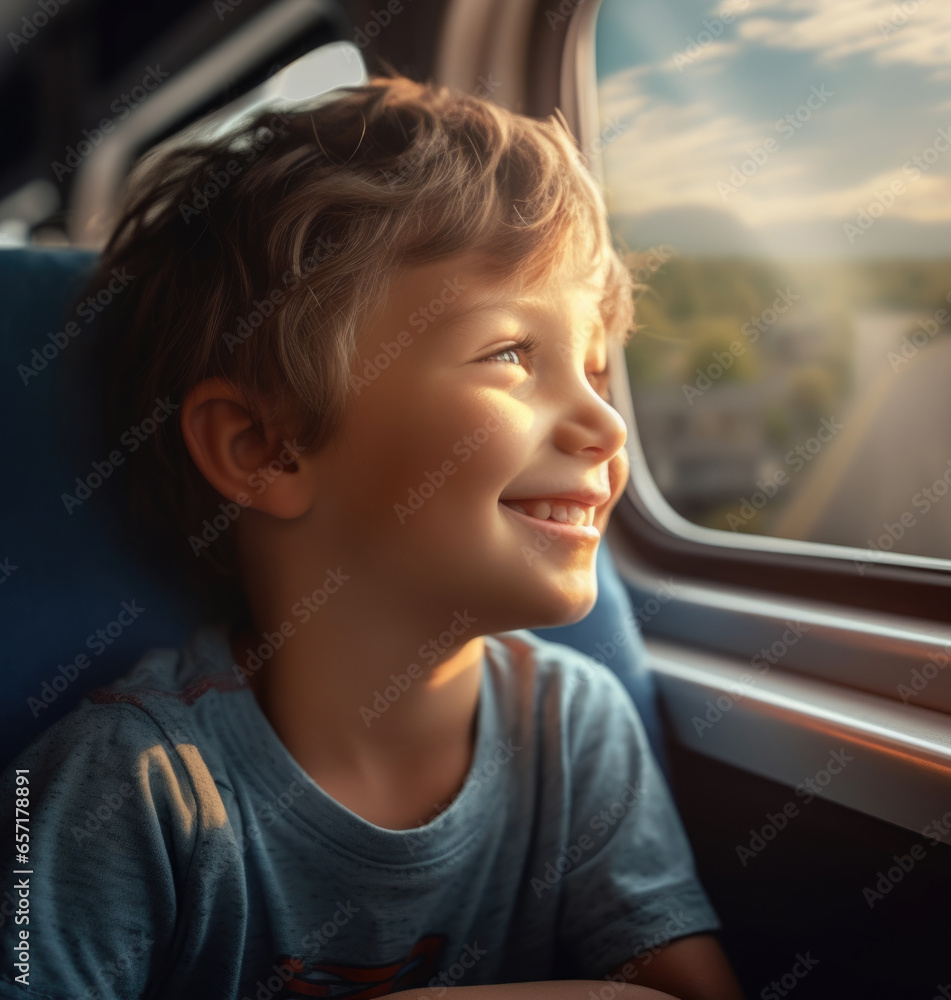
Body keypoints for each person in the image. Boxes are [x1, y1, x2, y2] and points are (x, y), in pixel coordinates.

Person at [0, 74, 745, 999]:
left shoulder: (573, 729)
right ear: (266, 449)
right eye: (513, 353)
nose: (606, 425)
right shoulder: (126, 792)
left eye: (596, 368)